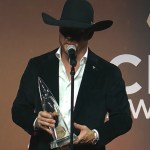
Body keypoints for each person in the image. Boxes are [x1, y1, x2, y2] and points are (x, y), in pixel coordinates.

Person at [11, 0, 132, 150]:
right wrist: (36, 121)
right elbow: (18, 110)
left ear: (90, 33)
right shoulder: (38, 65)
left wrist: (95, 135)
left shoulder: (108, 73)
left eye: (76, 31)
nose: (68, 36)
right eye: (64, 29)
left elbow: (123, 118)